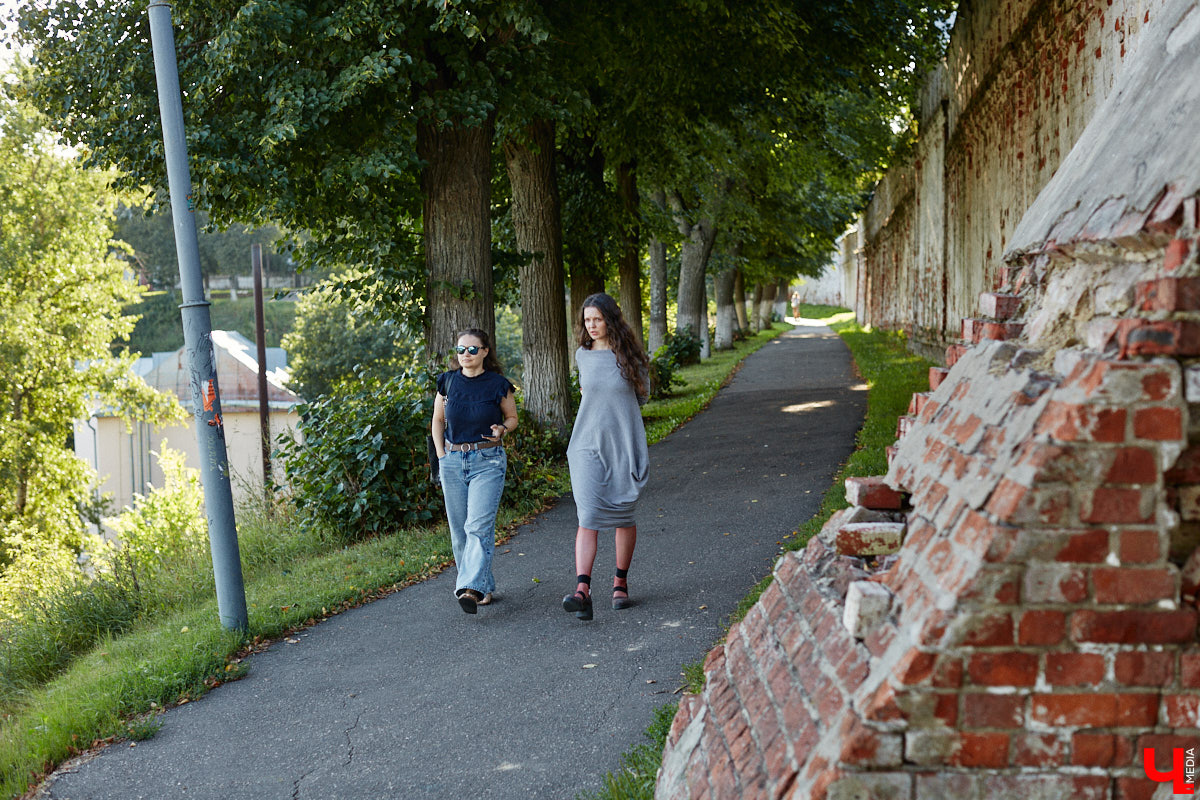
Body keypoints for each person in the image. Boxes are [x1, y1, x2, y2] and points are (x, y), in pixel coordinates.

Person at [562, 293, 650, 621]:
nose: (592, 326)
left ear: (610, 319)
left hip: (622, 444)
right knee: (588, 515)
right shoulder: (582, 356)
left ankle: (620, 583)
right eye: (587, 320)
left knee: (623, 515)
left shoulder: (629, 356)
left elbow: (643, 396)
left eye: (597, 319)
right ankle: (582, 591)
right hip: (585, 443)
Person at [431, 329, 518, 614]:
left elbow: (512, 417)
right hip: (453, 461)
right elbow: (438, 421)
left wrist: (502, 429)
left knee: (477, 527)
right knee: (459, 532)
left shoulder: (497, 384)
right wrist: (443, 457)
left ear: (484, 352)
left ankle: (469, 588)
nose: (465, 355)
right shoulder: (448, 383)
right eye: (460, 350)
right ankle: (483, 586)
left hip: (488, 461)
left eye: (471, 349)